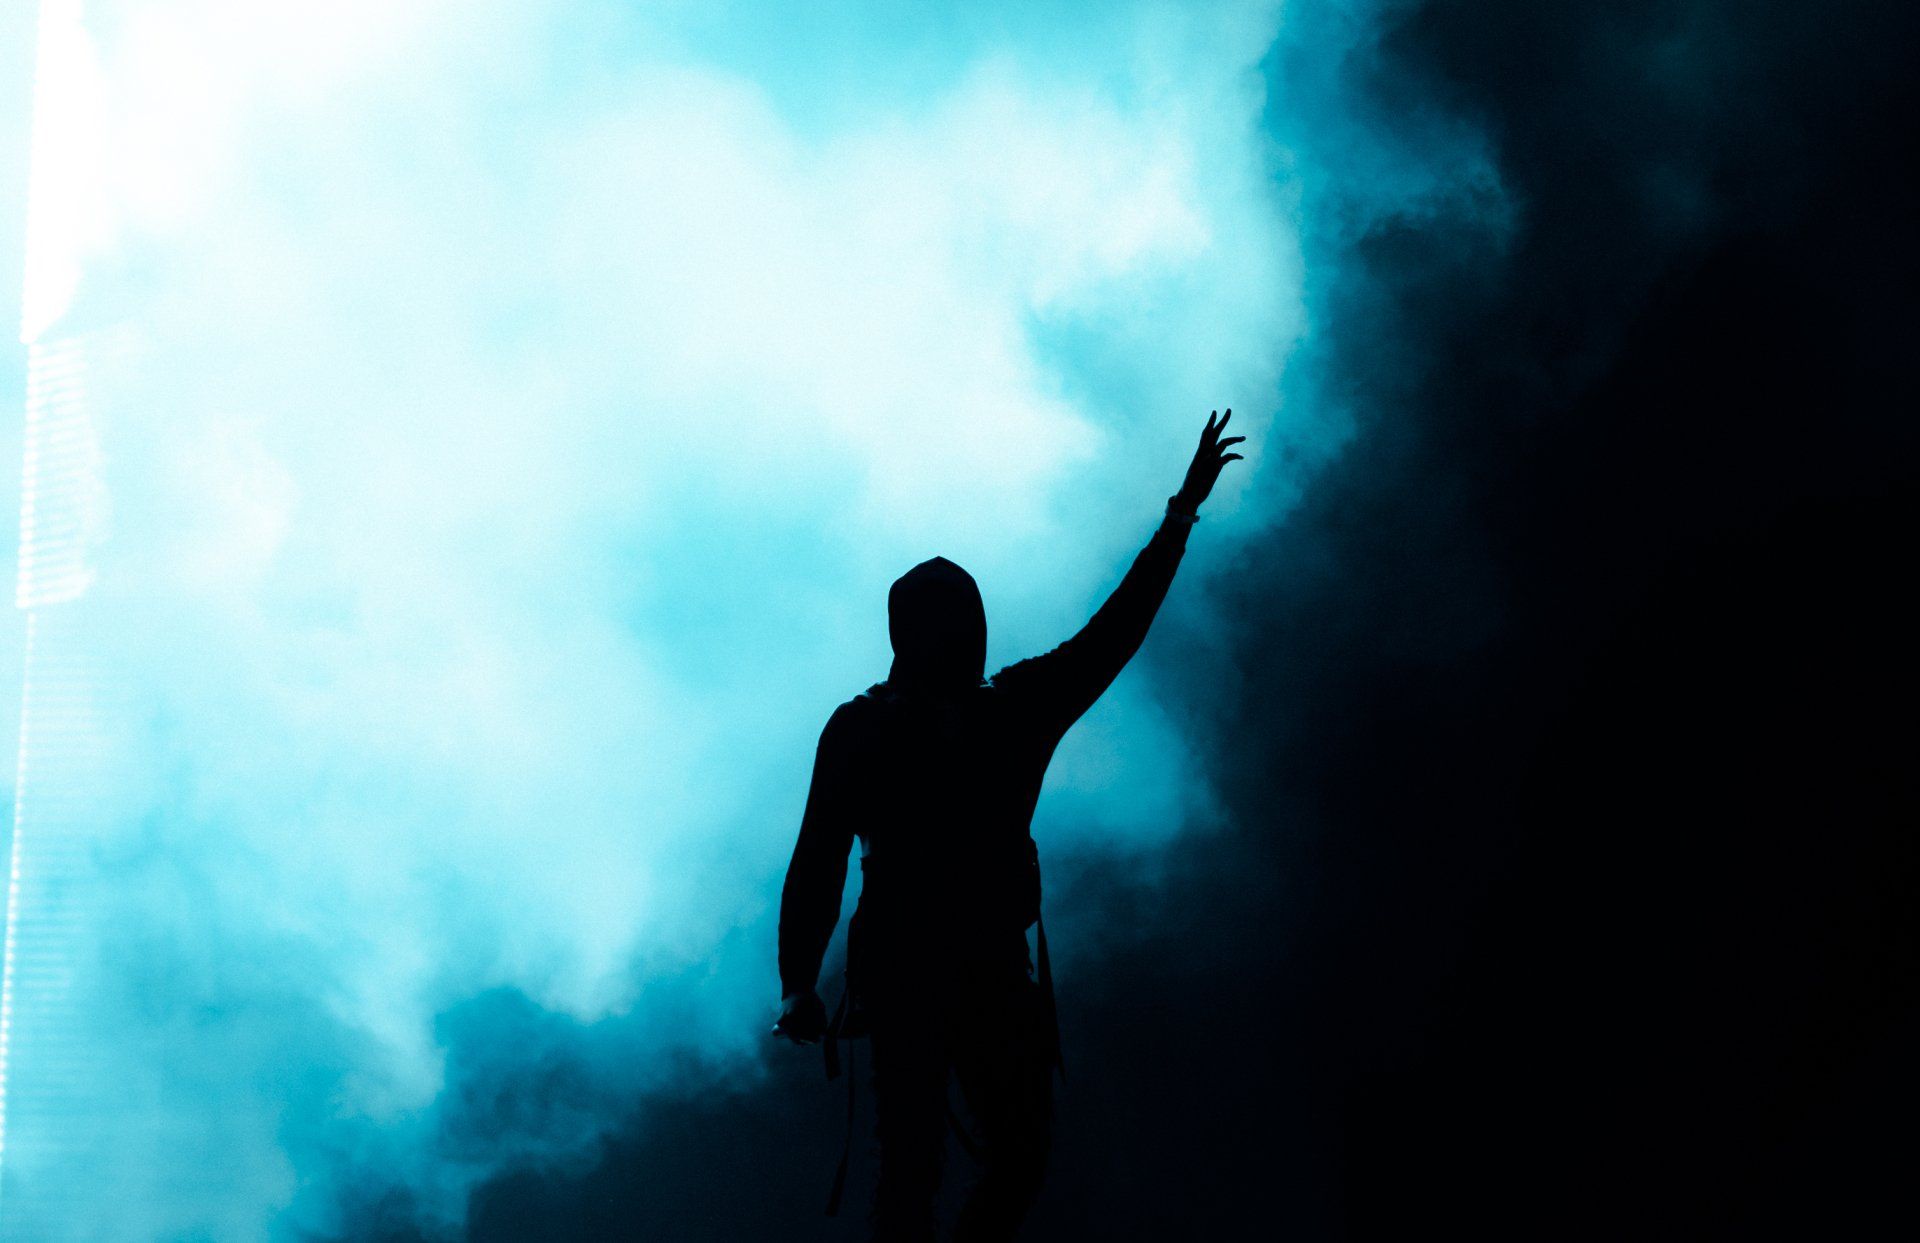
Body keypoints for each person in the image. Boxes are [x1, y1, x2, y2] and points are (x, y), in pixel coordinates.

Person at [773, 411, 1246, 1241]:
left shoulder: (959, 715)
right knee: (933, 1172)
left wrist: (1178, 518)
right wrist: (799, 979)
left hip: (963, 968)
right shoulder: (932, 720)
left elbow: (1114, 633)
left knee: (976, 1166)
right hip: (928, 972)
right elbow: (816, 858)